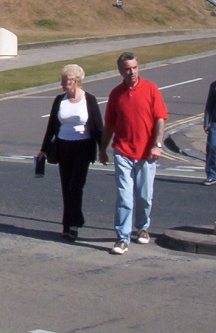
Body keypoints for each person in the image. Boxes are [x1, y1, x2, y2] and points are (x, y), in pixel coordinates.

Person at [99, 52, 167, 255]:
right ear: (121, 71)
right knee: (124, 197)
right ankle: (122, 238)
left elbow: (160, 119)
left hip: (147, 152)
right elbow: (109, 124)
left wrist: (158, 144)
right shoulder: (115, 94)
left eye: (135, 67)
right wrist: (102, 149)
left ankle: (143, 227)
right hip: (123, 151)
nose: (132, 72)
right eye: (128, 69)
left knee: (144, 196)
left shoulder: (151, 89)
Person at [37, 64, 103, 241]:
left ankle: (74, 223)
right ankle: (68, 224)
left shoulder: (89, 100)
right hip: (63, 146)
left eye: (65, 82)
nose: (62, 85)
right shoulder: (60, 100)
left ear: (76, 82)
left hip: (83, 147)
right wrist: (43, 150)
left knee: (76, 186)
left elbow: (98, 127)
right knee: (66, 187)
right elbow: (51, 126)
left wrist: (102, 150)